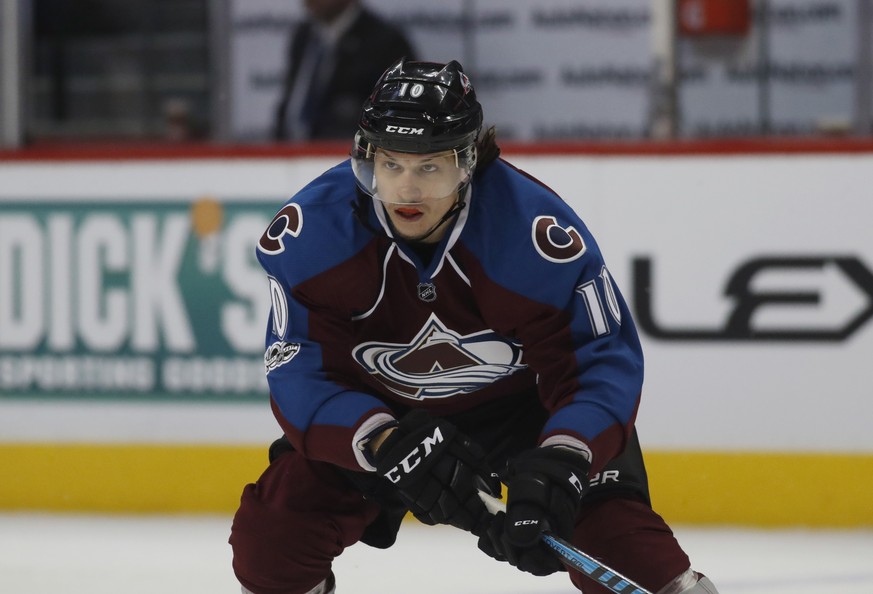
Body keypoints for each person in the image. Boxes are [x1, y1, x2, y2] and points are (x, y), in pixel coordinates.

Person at [231, 58, 720, 594]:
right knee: (270, 545)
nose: (406, 190)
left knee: (638, 563)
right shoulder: (314, 235)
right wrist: (382, 442)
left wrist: (564, 456)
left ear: (468, 163)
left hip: (524, 415)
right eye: (390, 165)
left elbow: (599, 361)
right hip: (385, 419)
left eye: (429, 166)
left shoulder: (534, 236)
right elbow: (301, 368)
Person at [273, 0, 416, 141]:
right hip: (287, 153)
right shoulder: (303, 36)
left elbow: (403, 114)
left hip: (347, 154)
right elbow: (293, 101)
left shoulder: (386, 42)